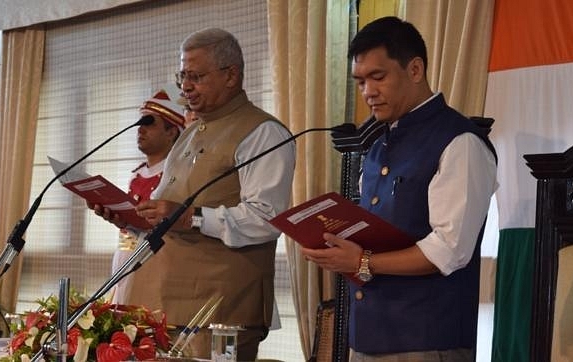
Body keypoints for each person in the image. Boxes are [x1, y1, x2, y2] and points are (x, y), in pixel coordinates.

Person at [300, 16, 497, 361]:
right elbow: (373, 240)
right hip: (369, 334)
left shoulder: (459, 141)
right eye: (360, 82)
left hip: (427, 339)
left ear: (415, 69)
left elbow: (448, 251)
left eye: (378, 77)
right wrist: (336, 247)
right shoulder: (378, 146)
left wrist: (362, 260)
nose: (367, 92)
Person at [103, 28, 295, 360]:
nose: (186, 86)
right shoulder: (189, 135)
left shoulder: (262, 132)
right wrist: (130, 219)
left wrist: (191, 217)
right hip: (158, 307)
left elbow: (266, 218)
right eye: (183, 76)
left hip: (217, 314)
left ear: (231, 75)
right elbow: (166, 217)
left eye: (196, 76)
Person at [104, 86, 186, 303]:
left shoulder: (177, 175)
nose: (140, 130)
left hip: (154, 265)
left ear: (171, 132)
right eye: (140, 123)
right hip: (124, 257)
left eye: (149, 124)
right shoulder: (136, 175)